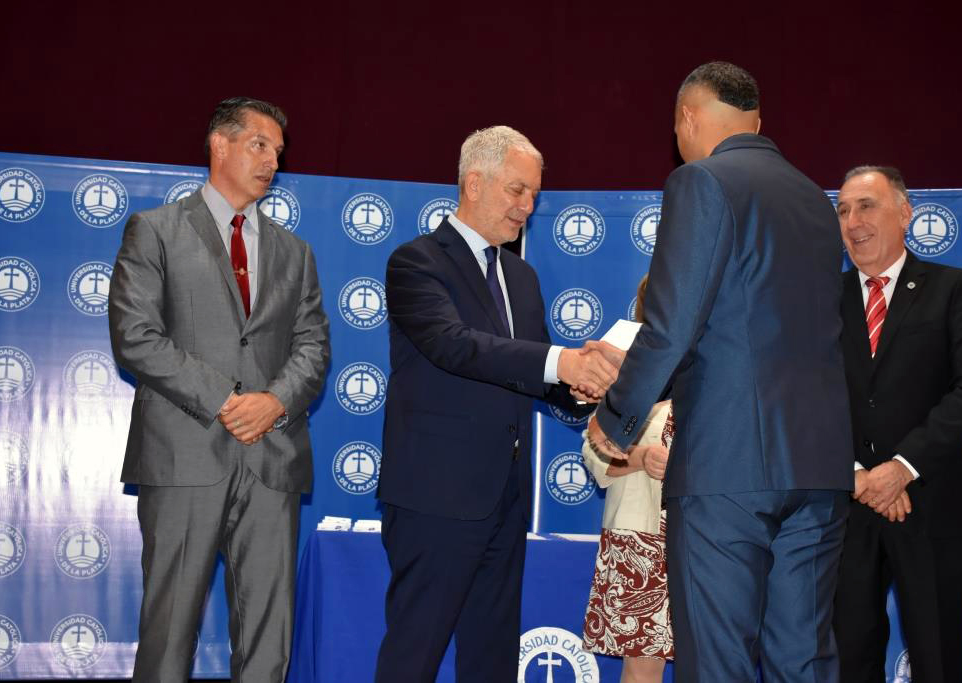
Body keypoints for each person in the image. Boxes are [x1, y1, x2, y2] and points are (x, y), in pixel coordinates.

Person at [586, 61, 854, 682]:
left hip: (728, 467)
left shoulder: (700, 182)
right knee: (804, 661)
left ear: (687, 118)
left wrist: (616, 418)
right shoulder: (815, 199)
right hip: (818, 467)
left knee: (717, 662)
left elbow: (671, 325)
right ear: (757, 122)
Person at [374, 125, 619, 682]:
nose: (527, 206)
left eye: (534, 193)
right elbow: (453, 345)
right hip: (434, 497)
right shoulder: (415, 262)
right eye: (517, 190)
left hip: (505, 498)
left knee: (492, 657)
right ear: (474, 183)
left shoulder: (522, 277)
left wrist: (585, 387)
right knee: (414, 653)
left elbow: (533, 374)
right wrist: (562, 363)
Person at [108, 97, 330, 682]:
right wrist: (227, 399)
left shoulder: (296, 252)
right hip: (184, 455)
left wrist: (274, 402)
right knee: (169, 633)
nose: (272, 161)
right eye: (259, 145)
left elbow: (313, 347)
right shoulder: (155, 230)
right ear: (219, 145)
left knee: (268, 640)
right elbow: (136, 336)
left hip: (272, 461)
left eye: (278, 152)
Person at [832, 166, 962, 683]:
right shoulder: (821, 300)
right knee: (848, 661)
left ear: (905, 214)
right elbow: (805, 400)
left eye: (866, 206)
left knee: (940, 663)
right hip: (847, 511)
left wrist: (901, 467)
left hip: (934, 507)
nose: (853, 221)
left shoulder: (952, 288)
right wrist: (857, 474)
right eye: (843, 210)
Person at [582, 275, 675, 683]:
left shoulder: (724, 363)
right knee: (641, 667)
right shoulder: (627, 363)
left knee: (715, 658)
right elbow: (594, 450)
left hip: (710, 535)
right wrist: (640, 458)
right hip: (639, 538)